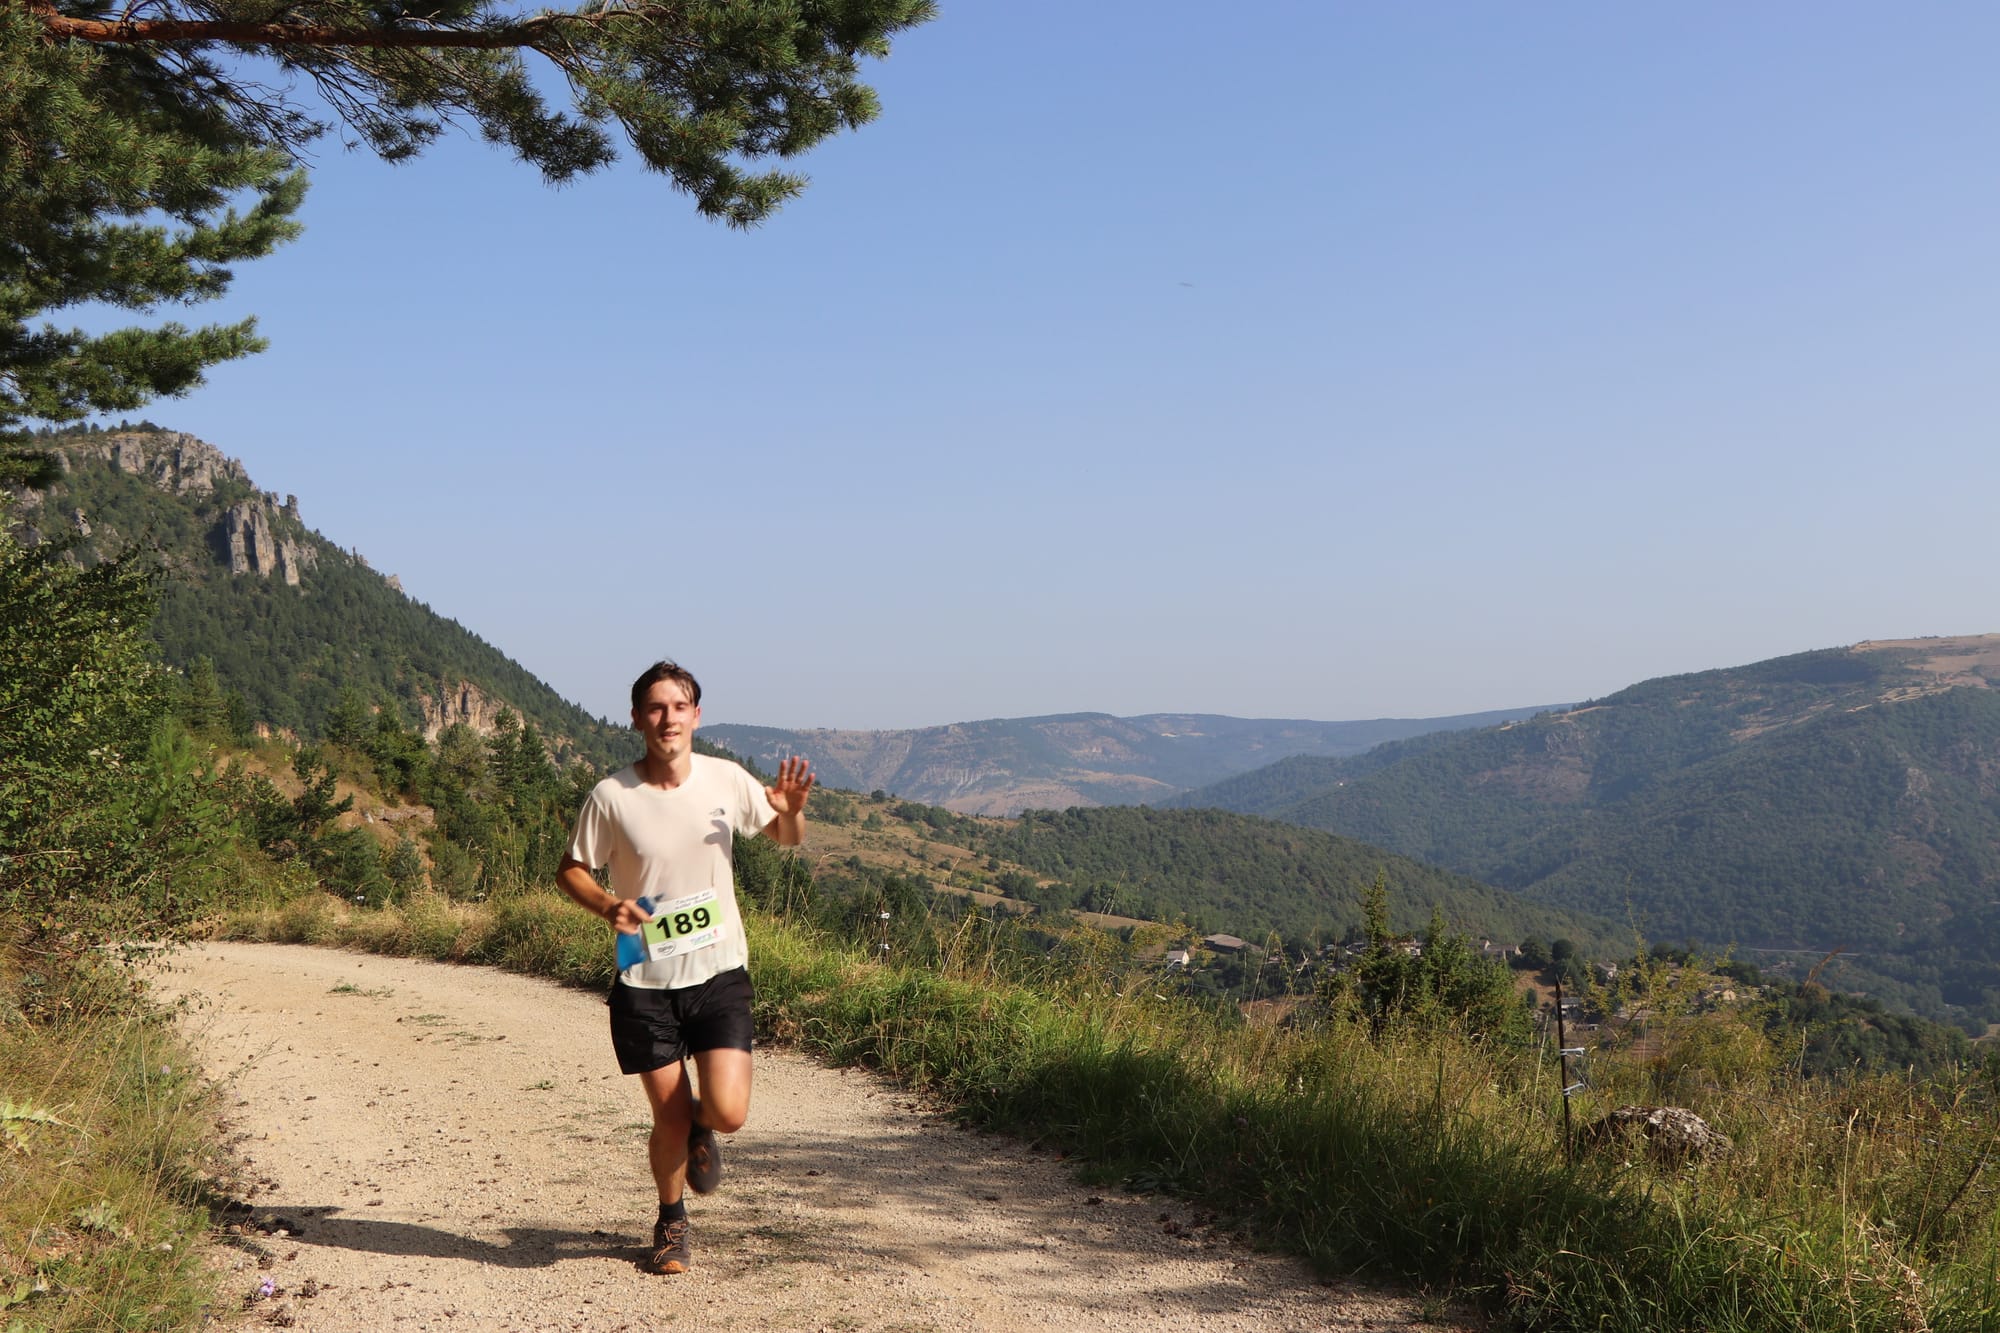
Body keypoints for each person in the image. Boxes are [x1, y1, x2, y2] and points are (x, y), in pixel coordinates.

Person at [556, 660, 814, 1275]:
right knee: (667, 1116)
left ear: (696, 715)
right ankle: (671, 1222)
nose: (667, 718)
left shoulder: (725, 779)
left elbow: (785, 836)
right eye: (654, 707)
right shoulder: (612, 796)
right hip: (644, 982)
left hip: (720, 973)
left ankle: (704, 1128)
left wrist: (794, 810)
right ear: (637, 717)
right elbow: (571, 868)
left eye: (679, 706)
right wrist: (606, 904)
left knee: (726, 1112)